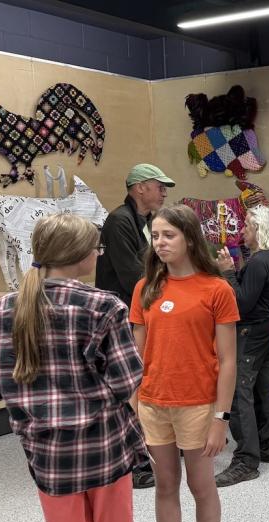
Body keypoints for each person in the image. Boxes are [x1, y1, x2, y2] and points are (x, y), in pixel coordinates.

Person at [0, 213, 147, 522]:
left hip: (47, 455)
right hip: (104, 449)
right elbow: (127, 381)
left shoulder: (2, 310)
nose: (99, 255)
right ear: (81, 255)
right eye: (97, 249)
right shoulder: (105, 306)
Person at [130, 205, 239, 522]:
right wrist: (132, 408)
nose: (160, 243)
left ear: (190, 238)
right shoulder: (145, 288)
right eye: (155, 236)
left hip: (198, 404)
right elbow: (136, 356)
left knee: (201, 485)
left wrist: (220, 419)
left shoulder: (217, 289)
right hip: (153, 404)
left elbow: (228, 361)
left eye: (168, 235)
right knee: (165, 486)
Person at [97, 162, 174, 490]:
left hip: (143, 315)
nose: (164, 192)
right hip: (123, 320)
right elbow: (134, 277)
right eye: (160, 186)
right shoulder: (118, 222)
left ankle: (151, 451)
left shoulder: (146, 221)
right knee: (130, 390)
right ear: (140, 187)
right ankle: (135, 463)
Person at [214, 205, 269, 487]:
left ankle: (245, 461)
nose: (241, 230)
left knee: (237, 392)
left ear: (259, 230)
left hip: (250, 330)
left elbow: (241, 303)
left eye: (246, 226)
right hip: (266, 328)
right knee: (263, 388)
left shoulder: (259, 262)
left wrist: (228, 273)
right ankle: (268, 447)